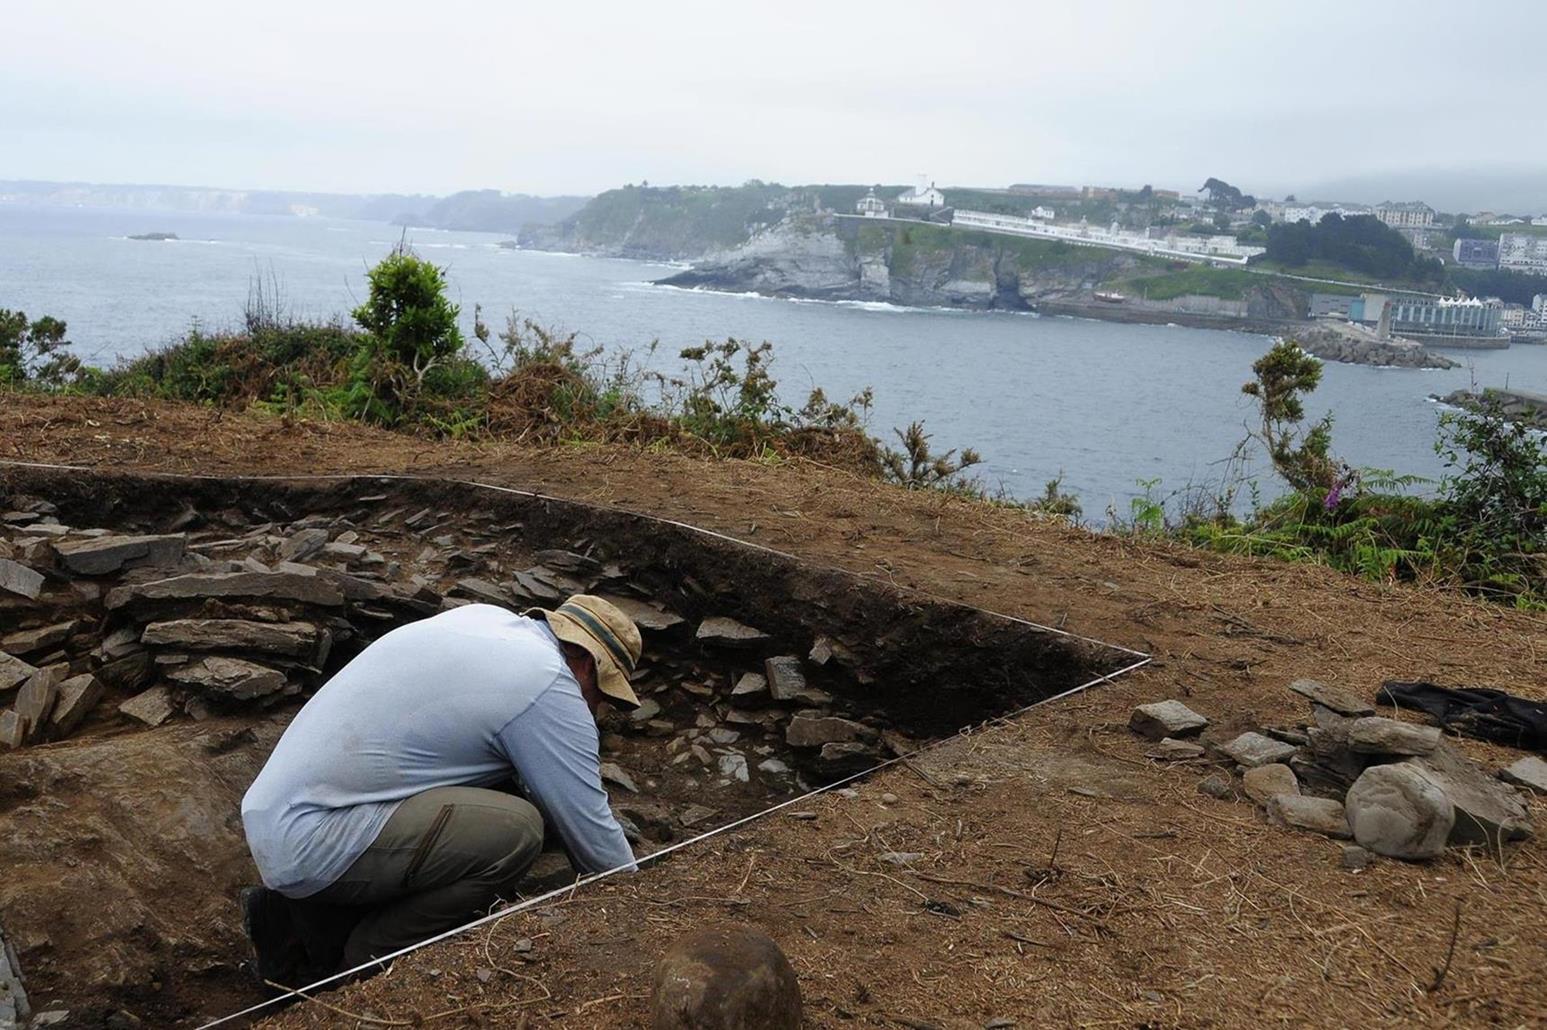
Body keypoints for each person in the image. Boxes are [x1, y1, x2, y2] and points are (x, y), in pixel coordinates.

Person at [238, 594, 642, 986]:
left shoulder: (485, 621)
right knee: (516, 830)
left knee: (506, 797)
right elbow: (593, 842)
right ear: (589, 666)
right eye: (602, 697)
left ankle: (301, 921)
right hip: (312, 840)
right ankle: (358, 957)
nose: (595, 710)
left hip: (282, 817)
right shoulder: (548, 684)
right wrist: (645, 897)